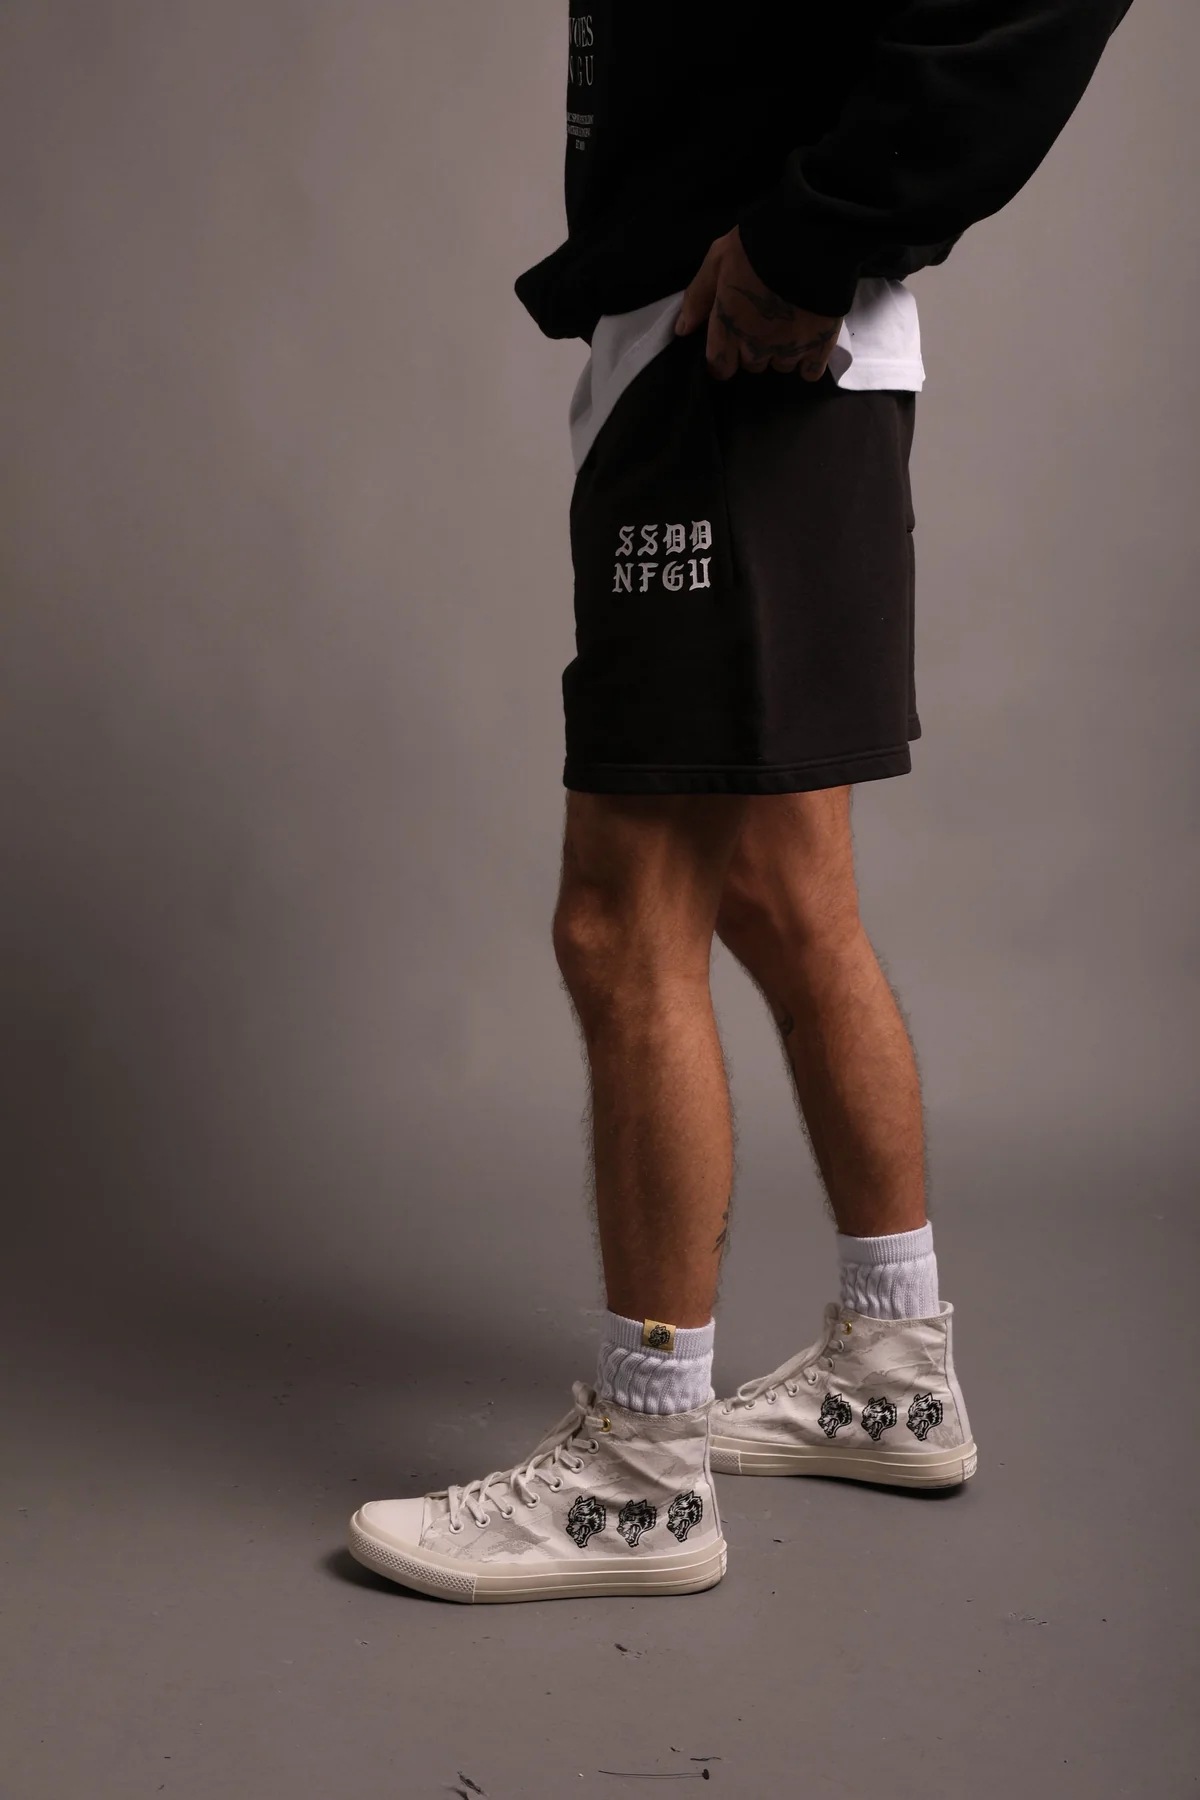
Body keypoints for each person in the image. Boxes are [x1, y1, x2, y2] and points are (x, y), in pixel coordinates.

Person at [349, 0, 1135, 1603]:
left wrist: (807, 237)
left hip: (741, 360)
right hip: (711, 353)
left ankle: (641, 1474)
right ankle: (892, 1373)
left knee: (619, 923)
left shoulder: (772, 288)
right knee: (785, 897)